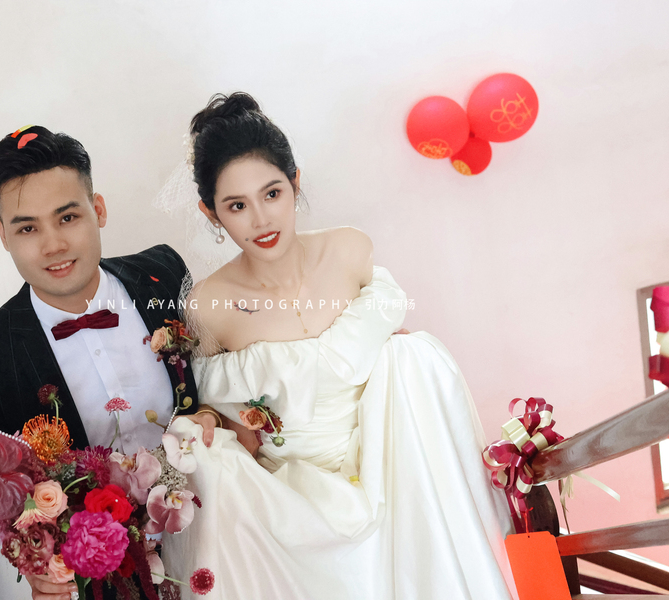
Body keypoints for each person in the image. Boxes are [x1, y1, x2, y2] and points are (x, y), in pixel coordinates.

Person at [161, 94, 517, 599]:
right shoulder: (209, 306)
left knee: (412, 354)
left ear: (295, 182)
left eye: (272, 193)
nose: (261, 219)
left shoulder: (350, 250)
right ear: (211, 213)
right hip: (290, 502)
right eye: (237, 206)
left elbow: (390, 350)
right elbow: (219, 410)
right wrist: (213, 420)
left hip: (393, 466)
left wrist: (393, 357)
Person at [0, 126, 219, 600]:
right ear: (3, 235)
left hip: (222, 533)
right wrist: (37, 566)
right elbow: (12, 506)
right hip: (117, 583)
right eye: (27, 228)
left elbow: (224, 369)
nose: (53, 244)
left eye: (68, 217)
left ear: (99, 210)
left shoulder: (163, 273)